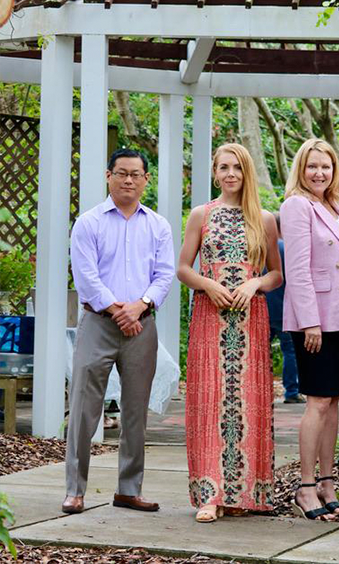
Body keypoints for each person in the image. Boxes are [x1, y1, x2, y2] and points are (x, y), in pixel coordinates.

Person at [63, 148, 175, 515]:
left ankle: (129, 489)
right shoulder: (89, 222)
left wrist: (138, 306)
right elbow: (86, 277)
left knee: (135, 412)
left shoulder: (158, 225)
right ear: (108, 176)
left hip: (142, 326)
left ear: (146, 180)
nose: (129, 180)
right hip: (98, 324)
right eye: (121, 173)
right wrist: (117, 309)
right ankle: (75, 490)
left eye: (136, 174)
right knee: (83, 409)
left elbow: (164, 274)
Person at [178, 143, 282, 523]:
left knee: (246, 404)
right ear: (214, 172)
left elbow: (276, 274)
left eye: (236, 167)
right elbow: (183, 268)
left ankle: (242, 494)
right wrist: (207, 284)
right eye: (223, 167)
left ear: (246, 171)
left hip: (250, 318)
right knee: (211, 403)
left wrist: (255, 285)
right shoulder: (201, 214)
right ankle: (210, 494)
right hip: (211, 316)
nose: (230, 174)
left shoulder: (265, 219)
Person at [280, 138, 339, 521]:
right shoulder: (297, 206)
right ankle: (306, 485)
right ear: (301, 168)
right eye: (312, 166)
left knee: (332, 403)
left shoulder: (335, 206)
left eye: (326, 167)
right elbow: (297, 269)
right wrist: (310, 320)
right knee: (316, 403)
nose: (319, 173)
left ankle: (328, 482)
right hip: (314, 320)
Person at [267, 213, 302, 404]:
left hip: (263, 307)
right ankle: (291, 391)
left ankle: (263, 390)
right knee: (290, 350)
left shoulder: (262, 248)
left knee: (262, 352)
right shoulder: (286, 248)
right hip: (283, 308)